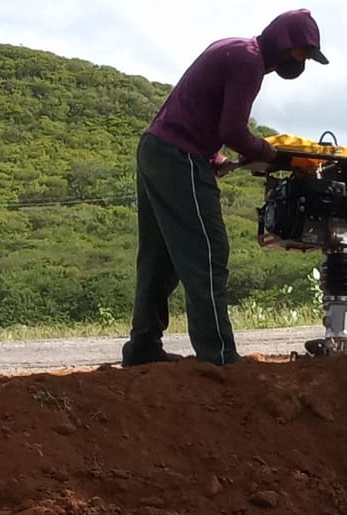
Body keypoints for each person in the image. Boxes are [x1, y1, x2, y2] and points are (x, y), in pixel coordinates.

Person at [121, 10, 329, 366]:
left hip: (156, 148)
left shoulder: (234, 48)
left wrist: (215, 157)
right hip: (178, 156)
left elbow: (199, 110)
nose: (303, 62)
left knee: (159, 256)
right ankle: (218, 355)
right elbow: (233, 130)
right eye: (302, 53)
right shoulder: (249, 62)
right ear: (284, 43)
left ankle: (143, 345)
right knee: (208, 250)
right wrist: (273, 154)